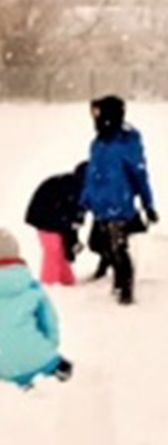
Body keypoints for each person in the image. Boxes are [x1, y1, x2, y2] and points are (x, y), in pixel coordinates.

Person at [0, 228, 73, 389]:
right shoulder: (33, 288)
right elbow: (50, 327)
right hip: (39, 362)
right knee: (65, 367)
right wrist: (44, 349)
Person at [80, 95, 158, 305]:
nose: (94, 119)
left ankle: (125, 290)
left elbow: (139, 174)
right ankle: (111, 270)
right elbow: (92, 175)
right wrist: (84, 202)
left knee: (119, 249)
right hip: (100, 205)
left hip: (118, 204)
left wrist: (148, 204)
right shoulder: (97, 143)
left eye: (98, 114)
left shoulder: (126, 143)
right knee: (97, 243)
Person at [25, 162, 87, 285]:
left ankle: (66, 280)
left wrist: (72, 242)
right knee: (53, 249)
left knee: (59, 249)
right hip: (44, 218)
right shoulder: (71, 188)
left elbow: (74, 220)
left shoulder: (80, 191)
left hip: (55, 219)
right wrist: (72, 240)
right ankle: (49, 282)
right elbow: (72, 218)